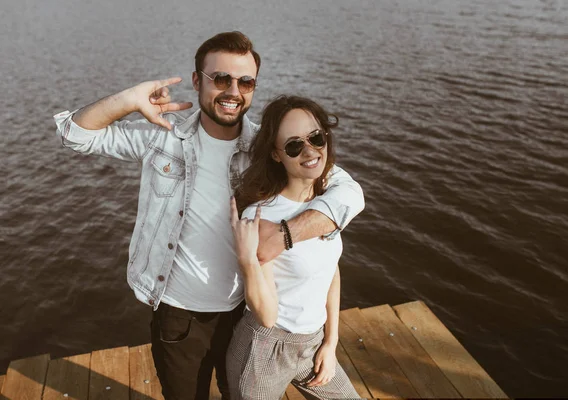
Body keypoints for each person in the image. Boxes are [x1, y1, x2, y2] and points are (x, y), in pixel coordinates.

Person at [53, 31, 364, 400]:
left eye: (245, 81)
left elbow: (347, 190)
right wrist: (128, 100)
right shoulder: (163, 138)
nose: (233, 90)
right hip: (181, 315)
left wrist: (283, 235)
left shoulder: (264, 147)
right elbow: (73, 134)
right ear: (198, 80)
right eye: (221, 79)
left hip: (244, 312)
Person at [227, 95, 361, 400]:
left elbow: (330, 271)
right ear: (277, 155)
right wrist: (248, 260)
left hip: (312, 343)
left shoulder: (326, 207)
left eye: (316, 138)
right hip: (264, 351)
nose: (310, 151)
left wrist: (330, 342)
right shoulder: (262, 217)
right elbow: (268, 316)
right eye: (293, 146)